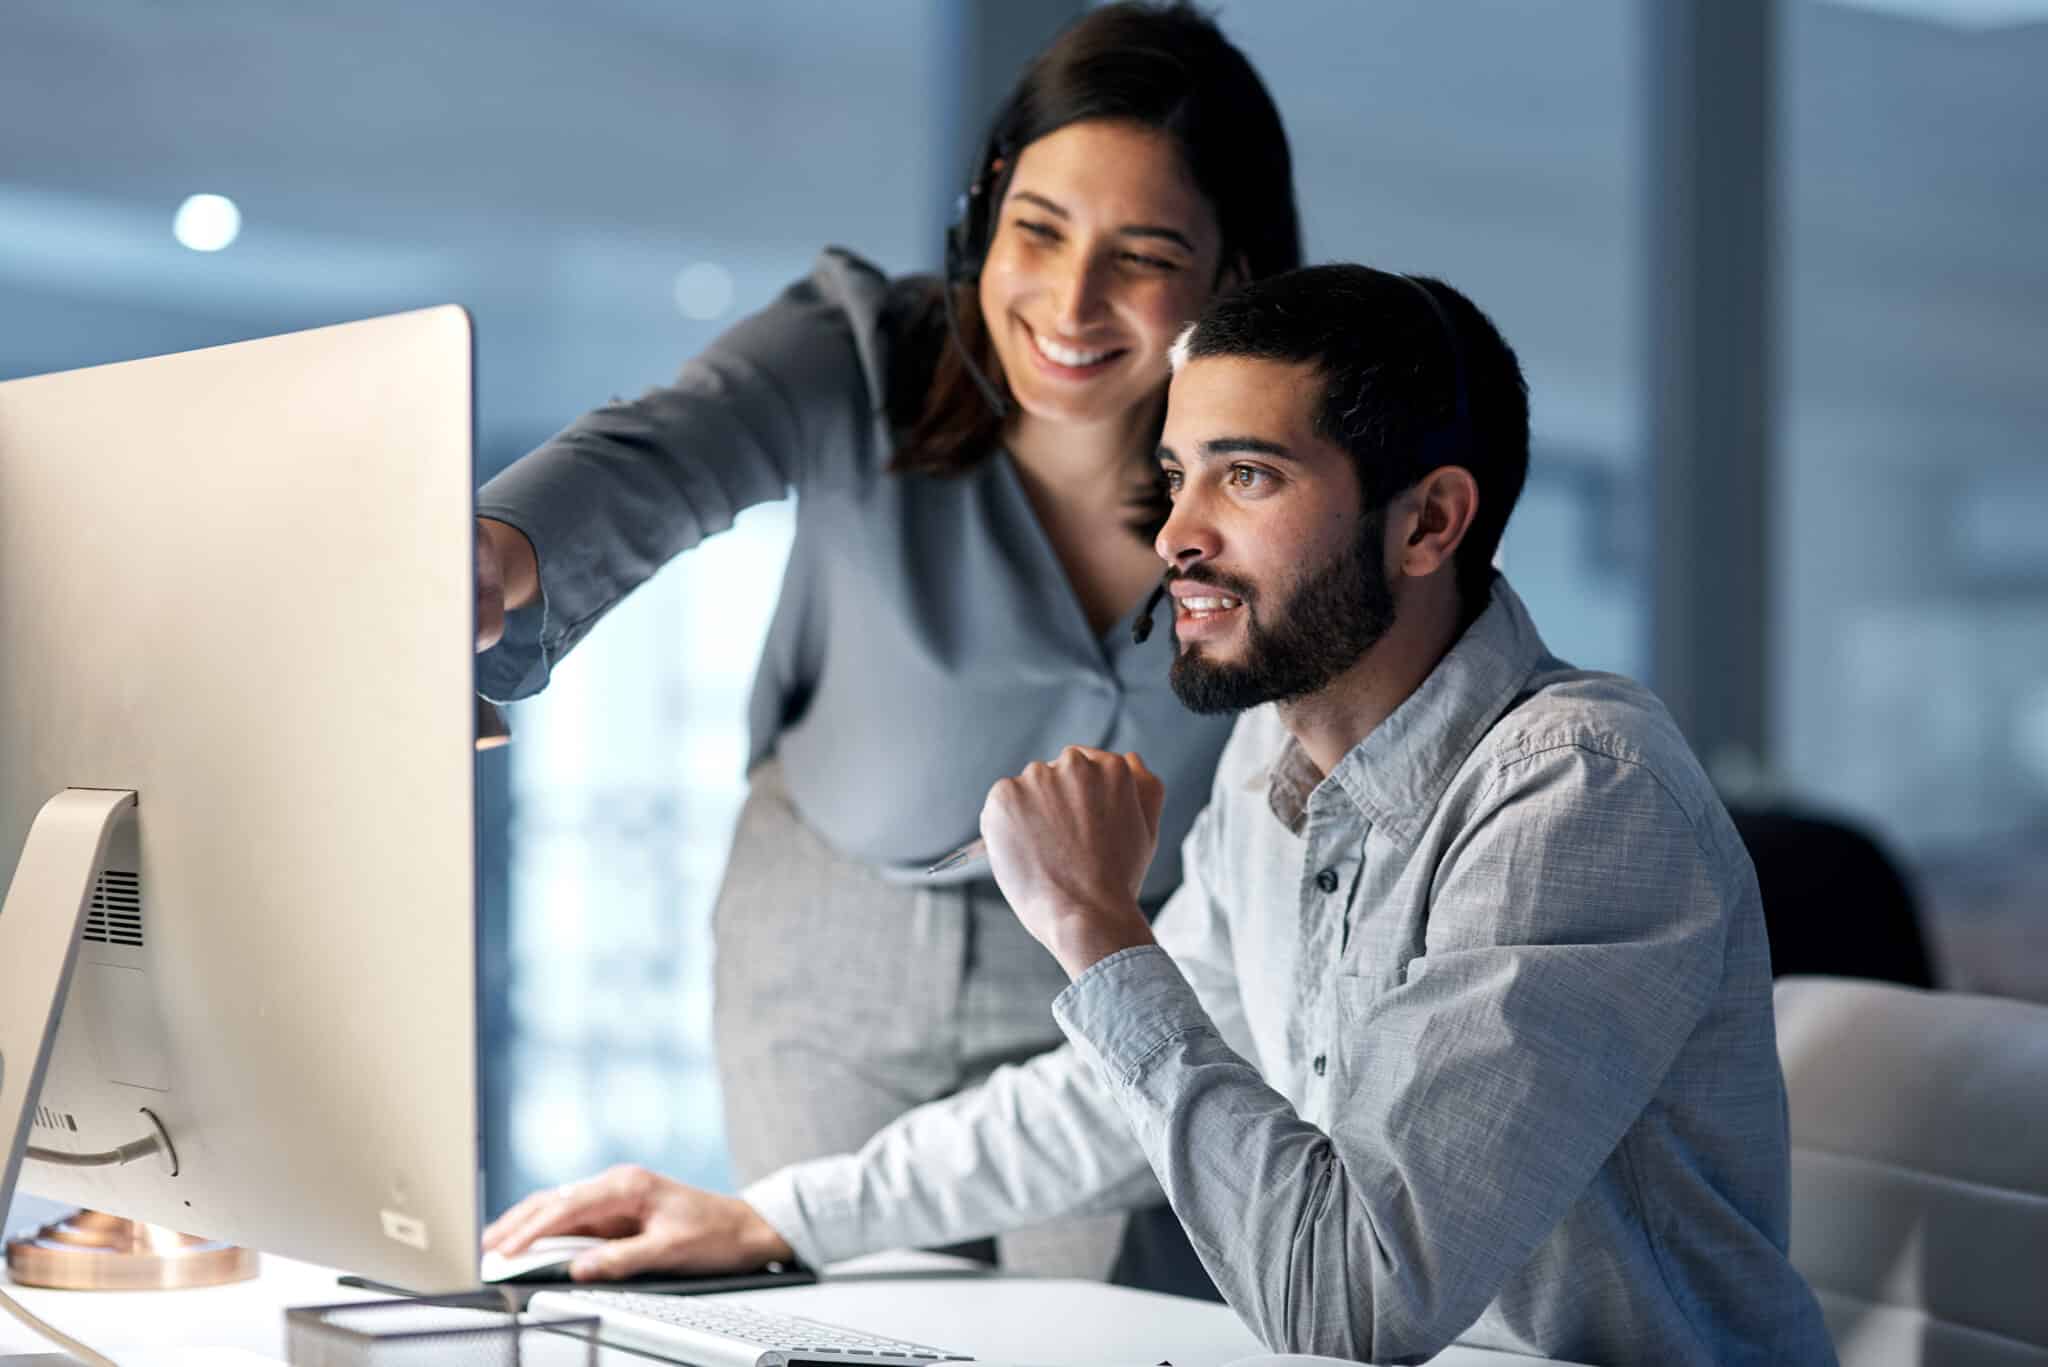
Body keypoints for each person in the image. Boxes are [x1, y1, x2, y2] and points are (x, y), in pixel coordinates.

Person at [484, 264, 1838, 1365]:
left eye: (1245, 476)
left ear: (1429, 525)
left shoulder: (1574, 794)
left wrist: (1092, 924)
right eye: (1178, 472)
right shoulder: (1273, 755)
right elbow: (1109, 1098)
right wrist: (774, 1210)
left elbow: (1356, 1300)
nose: (1176, 530)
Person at [472, 2, 1301, 1284]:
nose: (1069, 299)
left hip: (1112, 955)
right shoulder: (859, 350)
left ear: (1231, 273)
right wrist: (502, 547)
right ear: (983, 211)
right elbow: (668, 446)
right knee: (851, 1311)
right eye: (1036, 230)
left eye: (1140, 253)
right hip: (834, 945)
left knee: (1109, 1323)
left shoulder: (1269, 474)